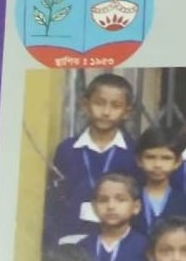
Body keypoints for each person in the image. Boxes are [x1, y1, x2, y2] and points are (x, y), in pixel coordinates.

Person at [43, 73, 139, 247]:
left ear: (127, 112)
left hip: (116, 242)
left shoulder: (133, 152)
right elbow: (54, 201)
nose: (106, 112)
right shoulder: (67, 150)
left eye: (116, 106)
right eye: (99, 103)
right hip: (71, 240)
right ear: (85, 105)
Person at [133, 125, 186, 236]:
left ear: (178, 162)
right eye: (150, 157)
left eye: (166, 158)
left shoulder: (184, 201)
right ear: (139, 160)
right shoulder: (130, 197)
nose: (157, 165)